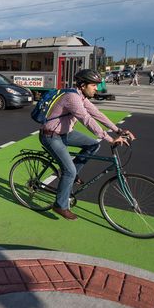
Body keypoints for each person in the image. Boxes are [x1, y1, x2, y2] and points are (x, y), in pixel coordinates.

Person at [38, 69, 135, 220]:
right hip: (51, 136)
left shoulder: (81, 97)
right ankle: (60, 205)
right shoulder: (72, 98)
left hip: (65, 133)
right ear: (83, 85)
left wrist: (119, 130)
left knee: (93, 145)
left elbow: (97, 114)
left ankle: (72, 173)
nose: (97, 88)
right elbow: (87, 120)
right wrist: (109, 138)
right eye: (94, 85)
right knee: (68, 171)